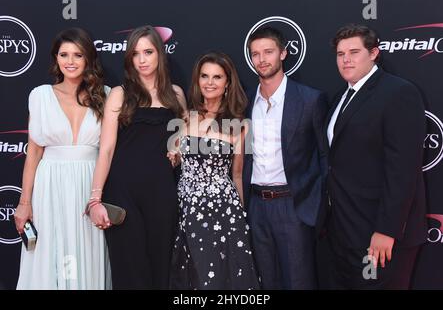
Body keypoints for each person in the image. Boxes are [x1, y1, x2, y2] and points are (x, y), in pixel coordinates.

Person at [318, 24, 427, 289]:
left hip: (381, 235)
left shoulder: (398, 92)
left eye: (354, 52)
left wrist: (387, 230)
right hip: (344, 232)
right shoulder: (340, 98)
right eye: (340, 54)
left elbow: (402, 170)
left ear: (374, 53)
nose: (346, 59)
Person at [88, 25, 187, 289]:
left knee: (162, 266)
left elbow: (184, 137)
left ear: (160, 54)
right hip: (123, 192)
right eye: (135, 54)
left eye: (148, 52)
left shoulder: (176, 94)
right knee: (129, 269)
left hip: (162, 191)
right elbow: (106, 149)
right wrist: (95, 198)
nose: (142, 60)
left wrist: (177, 151)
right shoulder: (120, 94)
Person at [13, 28, 110, 289]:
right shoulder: (41, 96)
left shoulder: (107, 96)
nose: (70, 61)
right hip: (50, 184)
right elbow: (33, 152)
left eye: (77, 55)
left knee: (87, 252)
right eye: (64, 54)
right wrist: (24, 203)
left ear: (88, 58)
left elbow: (110, 150)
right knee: (51, 253)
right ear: (56, 58)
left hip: (91, 185)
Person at [243, 27, 328, 289]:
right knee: (265, 282)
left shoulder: (310, 100)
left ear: (283, 52)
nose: (262, 59)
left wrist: (316, 206)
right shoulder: (244, 103)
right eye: (255, 54)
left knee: (299, 282)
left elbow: (325, 156)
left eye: (268, 52)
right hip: (256, 206)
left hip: (294, 204)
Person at [169, 51, 260, 289]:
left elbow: (237, 174)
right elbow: (175, 158)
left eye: (217, 77)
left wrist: (240, 216)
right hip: (186, 206)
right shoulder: (185, 118)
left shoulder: (241, 125)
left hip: (222, 209)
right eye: (205, 76)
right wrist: (174, 156)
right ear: (197, 80)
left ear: (227, 83)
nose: (210, 82)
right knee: (192, 273)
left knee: (220, 275)